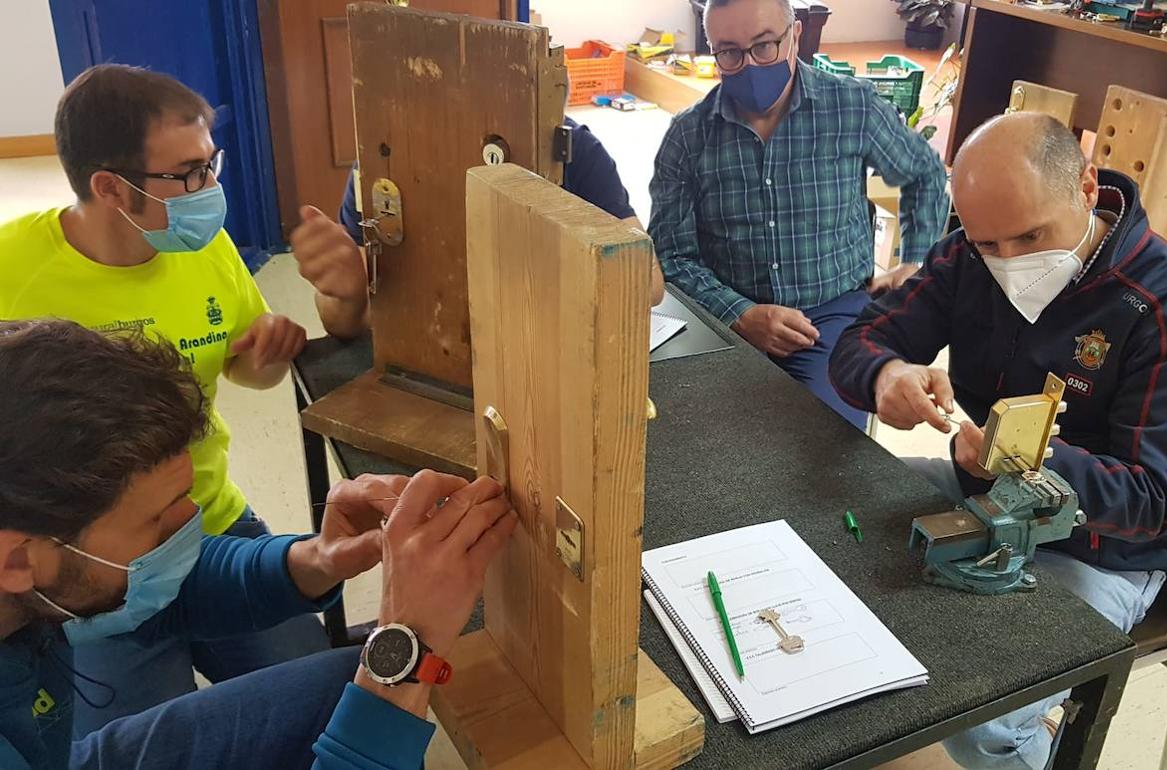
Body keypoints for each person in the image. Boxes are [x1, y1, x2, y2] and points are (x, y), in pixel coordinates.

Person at [831, 113, 1167, 769]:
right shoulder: (968, 256)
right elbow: (860, 343)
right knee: (831, 539)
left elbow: (1152, 499)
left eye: (1031, 236)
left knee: (981, 720)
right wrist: (885, 375)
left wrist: (1023, 460)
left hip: (1104, 550)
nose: (1010, 263)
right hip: (979, 493)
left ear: (1085, 185)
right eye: (990, 242)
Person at [0, 319, 518, 769]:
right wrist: (407, 647)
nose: (191, 524)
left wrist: (315, 558)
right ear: (19, 560)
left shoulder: (33, 573)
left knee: (345, 690)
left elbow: (171, 587)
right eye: (156, 522)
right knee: (375, 695)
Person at [0, 64, 328, 732]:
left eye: (211, 165)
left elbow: (243, 375)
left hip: (206, 520)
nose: (209, 191)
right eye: (186, 175)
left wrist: (266, 360)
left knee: (320, 700)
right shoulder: (14, 268)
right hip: (86, 569)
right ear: (110, 187)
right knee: (132, 739)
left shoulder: (205, 251)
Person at [648, 0, 949, 430]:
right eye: (729, 52)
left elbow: (924, 174)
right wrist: (739, 313)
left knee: (824, 444)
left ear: (795, 36)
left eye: (764, 45)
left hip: (831, 311)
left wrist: (915, 260)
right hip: (723, 316)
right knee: (689, 437)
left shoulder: (852, 107)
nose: (750, 64)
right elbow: (671, 256)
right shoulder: (687, 136)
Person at [295, 117, 666, 339]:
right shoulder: (384, 162)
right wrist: (348, 296)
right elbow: (342, 325)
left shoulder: (577, 149)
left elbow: (648, 284)